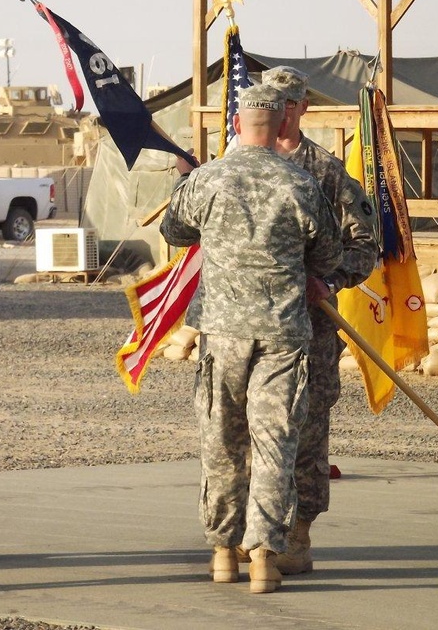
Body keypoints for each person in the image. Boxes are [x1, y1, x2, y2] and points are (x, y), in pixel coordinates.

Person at [159, 82, 344, 594]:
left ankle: (223, 552)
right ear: (283, 124)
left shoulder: (207, 181)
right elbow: (328, 259)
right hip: (282, 333)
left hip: (222, 331)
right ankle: (263, 556)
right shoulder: (300, 183)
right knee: (274, 444)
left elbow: (175, 232)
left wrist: (189, 186)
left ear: (237, 124)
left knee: (221, 441)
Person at [261, 66, 379, 575]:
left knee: (306, 432)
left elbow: (365, 244)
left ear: (303, 107)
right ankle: (257, 530)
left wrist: (330, 283)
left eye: (290, 102)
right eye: (273, 102)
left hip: (309, 329)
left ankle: (299, 533)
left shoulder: (327, 173)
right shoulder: (245, 166)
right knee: (253, 429)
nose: (282, 111)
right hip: (254, 325)